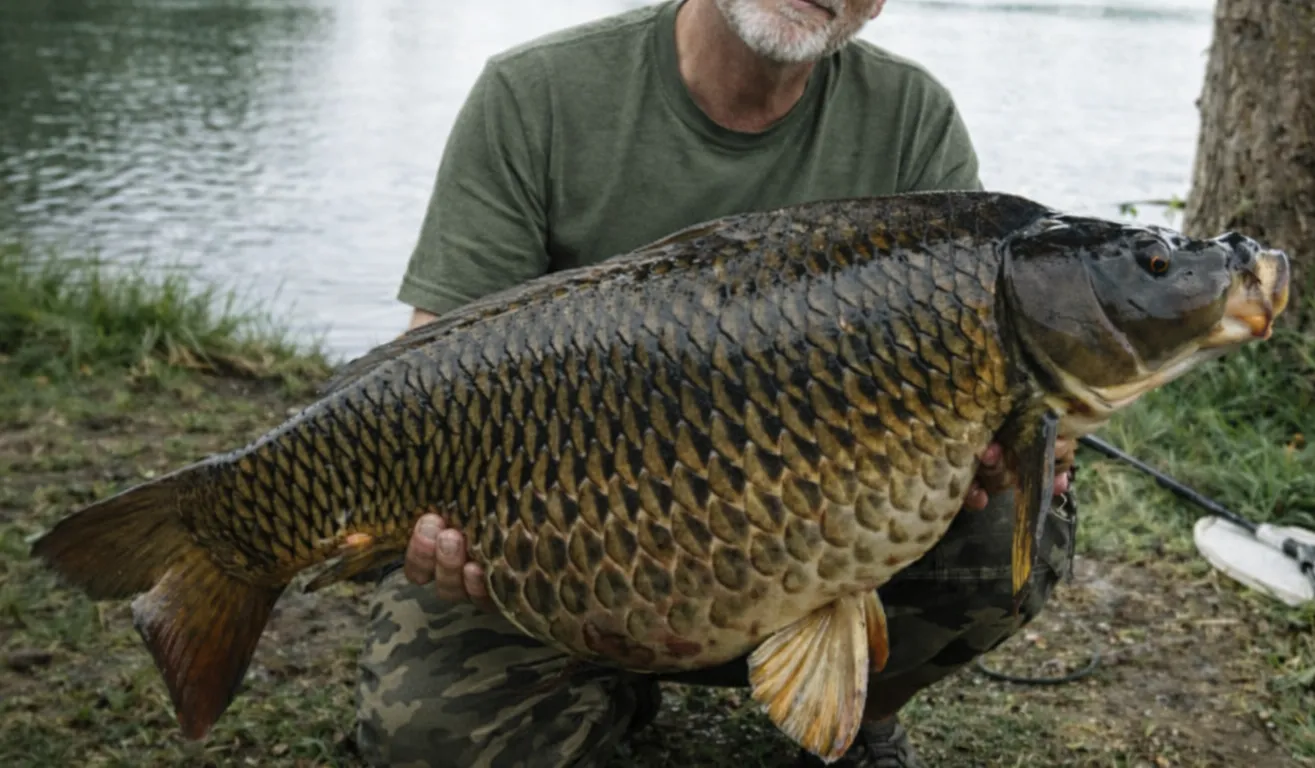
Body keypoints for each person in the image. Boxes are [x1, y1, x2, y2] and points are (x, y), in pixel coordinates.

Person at [354, 1, 1079, 766]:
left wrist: (1013, 440)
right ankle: (607, 671)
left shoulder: (909, 116)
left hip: (807, 527)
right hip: (549, 547)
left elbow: (978, 352)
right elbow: (430, 371)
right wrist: (443, 525)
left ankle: (856, 709)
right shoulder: (533, 92)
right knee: (425, 744)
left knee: (1015, 521)